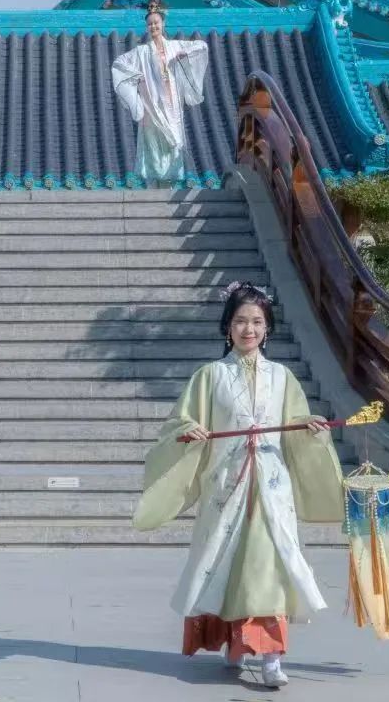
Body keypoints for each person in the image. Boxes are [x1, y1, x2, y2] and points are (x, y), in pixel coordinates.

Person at [132, 281, 344, 688]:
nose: (249, 329)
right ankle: (234, 642)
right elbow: (180, 422)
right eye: (241, 321)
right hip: (226, 487)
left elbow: (294, 421)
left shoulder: (282, 377)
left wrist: (308, 426)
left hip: (270, 488)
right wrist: (190, 430)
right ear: (227, 327)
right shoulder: (210, 376)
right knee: (226, 565)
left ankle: (271, 658)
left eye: (257, 322)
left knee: (268, 566)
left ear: (268, 328)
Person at [111, 0, 209, 187]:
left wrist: (184, 55)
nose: (153, 26)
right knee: (154, 143)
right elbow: (119, 64)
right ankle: (155, 182)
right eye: (150, 24)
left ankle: (169, 180)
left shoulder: (174, 46)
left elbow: (201, 46)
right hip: (152, 105)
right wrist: (137, 76)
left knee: (172, 141)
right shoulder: (141, 52)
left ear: (163, 24)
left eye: (156, 22)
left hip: (172, 104)